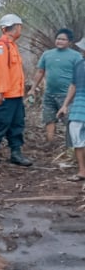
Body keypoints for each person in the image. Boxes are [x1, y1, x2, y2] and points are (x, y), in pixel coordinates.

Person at [0, 14, 32, 168]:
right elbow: (2, 71)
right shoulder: (0, 46)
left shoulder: (12, 45)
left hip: (16, 95)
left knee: (17, 124)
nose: (20, 30)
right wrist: (0, 93)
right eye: (20, 27)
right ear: (16, 27)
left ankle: (16, 153)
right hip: (4, 96)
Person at [27, 28, 82, 143]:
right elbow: (40, 72)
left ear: (69, 42)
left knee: (70, 121)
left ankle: (71, 147)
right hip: (49, 94)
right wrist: (32, 89)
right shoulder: (47, 54)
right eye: (58, 39)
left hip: (68, 96)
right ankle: (50, 143)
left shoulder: (76, 56)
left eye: (63, 39)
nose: (59, 41)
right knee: (49, 119)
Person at [57, 37, 85, 181]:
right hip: (79, 107)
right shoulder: (79, 64)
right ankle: (82, 171)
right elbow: (73, 85)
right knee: (77, 138)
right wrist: (65, 105)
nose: (82, 50)